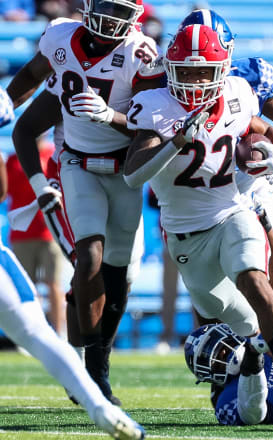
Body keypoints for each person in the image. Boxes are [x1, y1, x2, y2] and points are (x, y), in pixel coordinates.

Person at [122, 23, 273, 424]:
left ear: (223, 66)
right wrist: (174, 140)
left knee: (267, 282)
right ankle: (242, 379)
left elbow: (265, 127)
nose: (194, 81)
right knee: (226, 316)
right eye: (186, 71)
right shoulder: (154, 100)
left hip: (236, 205)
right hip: (187, 231)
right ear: (170, 65)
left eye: (203, 72)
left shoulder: (240, 91)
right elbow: (133, 173)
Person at [7, 0, 165, 404]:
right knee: (89, 256)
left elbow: (151, 127)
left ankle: (97, 357)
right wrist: (7, 102)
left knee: (120, 278)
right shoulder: (60, 36)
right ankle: (91, 370)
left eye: (121, 9)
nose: (111, 18)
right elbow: (26, 109)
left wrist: (110, 117)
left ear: (136, 16)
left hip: (125, 171)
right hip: (77, 164)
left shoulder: (141, 53)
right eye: (106, 5)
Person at [0, 86, 145, 440]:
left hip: (103, 180)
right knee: (35, 328)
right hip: (73, 180)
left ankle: (98, 392)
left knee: (42, 320)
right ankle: (100, 404)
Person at [6, 137, 67, 336]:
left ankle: (59, 333)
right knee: (26, 286)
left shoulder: (53, 155)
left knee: (54, 283)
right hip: (23, 233)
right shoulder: (13, 160)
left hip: (50, 230)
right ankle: (34, 332)